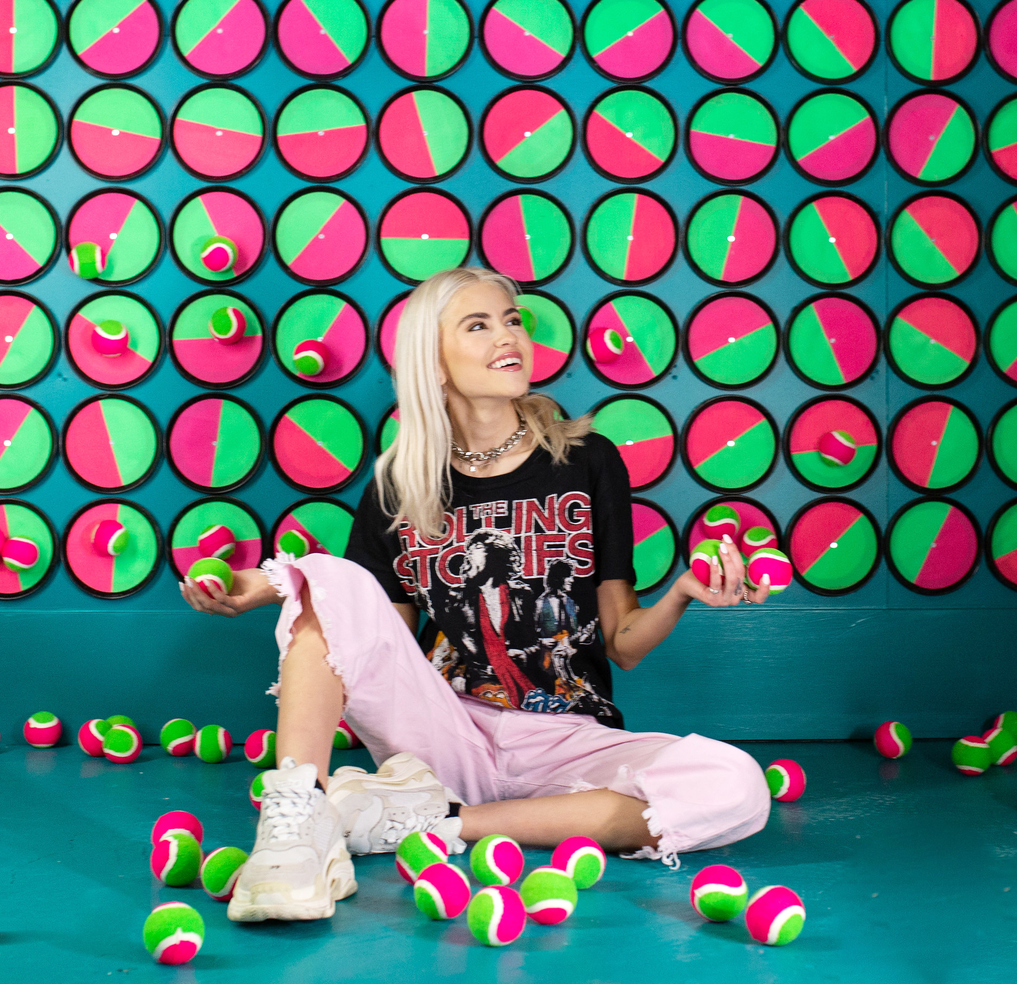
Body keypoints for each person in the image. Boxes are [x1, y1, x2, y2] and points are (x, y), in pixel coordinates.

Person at [180, 266, 774, 922]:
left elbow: (623, 645)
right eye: (478, 325)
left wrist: (682, 592)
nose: (508, 336)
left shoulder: (587, 460)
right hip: (443, 735)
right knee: (336, 576)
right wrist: (272, 585)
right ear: (433, 362)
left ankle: (439, 821)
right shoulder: (398, 486)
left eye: (512, 320)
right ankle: (295, 826)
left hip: (566, 740)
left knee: (737, 785)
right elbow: (365, 634)